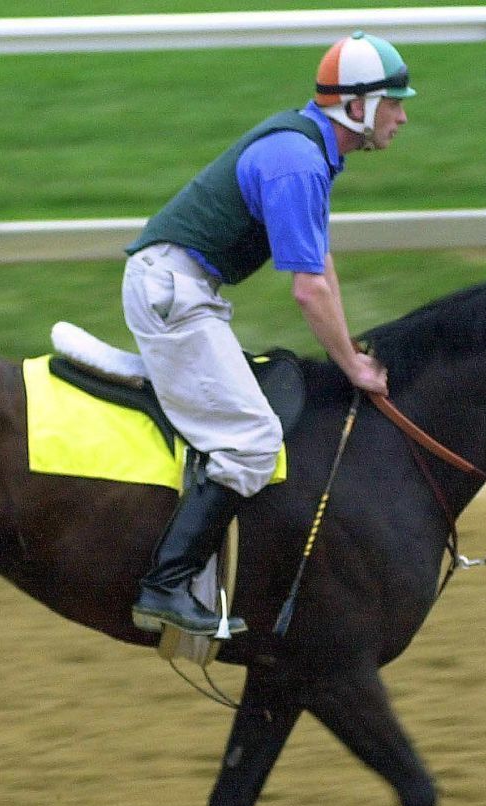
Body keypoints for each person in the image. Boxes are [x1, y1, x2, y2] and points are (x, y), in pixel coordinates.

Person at [124, 31, 414, 637]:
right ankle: (166, 583)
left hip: (183, 287)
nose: (403, 116)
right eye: (393, 102)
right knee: (254, 440)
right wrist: (354, 368)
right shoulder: (299, 161)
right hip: (175, 291)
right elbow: (307, 290)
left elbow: (320, 265)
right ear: (356, 107)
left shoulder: (309, 152)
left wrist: (349, 347)